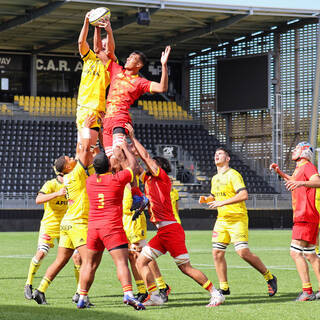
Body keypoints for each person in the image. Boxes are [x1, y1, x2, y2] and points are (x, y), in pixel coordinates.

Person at [126, 123, 224, 307]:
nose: (148, 165)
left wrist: (132, 138)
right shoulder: (148, 179)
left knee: (185, 268)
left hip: (171, 230)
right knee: (141, 261)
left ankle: (215, 293)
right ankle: (154, 296)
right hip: (163, 232)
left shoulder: (161, 176)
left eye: (151, 164)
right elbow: (135, 166)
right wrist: (125, 148)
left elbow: (146, 157)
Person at [32, 115, 96, 305]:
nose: (72, 157)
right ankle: (81, 295)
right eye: (69, 158)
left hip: (66, 223)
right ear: (67, 166)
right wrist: (85, 129)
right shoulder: (76, 173)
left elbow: (80, 151)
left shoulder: (69, 175)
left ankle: (40, 290)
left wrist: (81, 132)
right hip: (78, 223)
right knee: (88, 262)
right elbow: (83, 150)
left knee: (61, 260)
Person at [199, 147, 277, 297]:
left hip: (237, 218)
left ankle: (270, 277)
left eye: (220, 153)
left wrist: (222, 203)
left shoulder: (233, 174)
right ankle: (224, 288)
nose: (216, 155)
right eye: (215, 153)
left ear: (228, 158)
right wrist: (207, 199)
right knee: (217, 253)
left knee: (242, 252)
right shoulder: (215, 178)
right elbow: (215, 196)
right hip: (222, 220)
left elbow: (243, 194)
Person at [77, 145, 145, 310]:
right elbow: (134, 168)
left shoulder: (90, 181)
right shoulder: (117, 178)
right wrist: (125, 150)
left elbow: (89, 164)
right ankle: (128, 294)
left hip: (94, 229)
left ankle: (82, 297)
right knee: (121, 262)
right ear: (109, 166)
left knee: (89, 264)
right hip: (112, 228)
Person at [100, 24, 171, 158]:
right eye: (129, 57)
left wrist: (164, 65)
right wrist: (106, 30)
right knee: (112, 161)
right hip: (107, 121)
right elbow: (99, 51)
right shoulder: (116, 70)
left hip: (120, 120)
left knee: (118, 153)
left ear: (139, 65)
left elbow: (162, 88)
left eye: (132, 58)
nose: (128, 58)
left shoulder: (140, 82)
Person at [270, 142, 320, 301]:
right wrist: (280, 172)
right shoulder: (300, 168)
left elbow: (318, 181)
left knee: (295, 252)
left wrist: (300, 183)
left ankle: (307, 291)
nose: (293, 150)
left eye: (297, 148)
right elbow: (294, 181)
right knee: (311, 255)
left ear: (305, 152)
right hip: (307, 215)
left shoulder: (307, 166)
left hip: (304, 215)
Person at [24, 169, 71, 299]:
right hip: (49, 226)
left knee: (77, 258)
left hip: (66, 226)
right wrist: (57, 193)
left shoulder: (72, 184)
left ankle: (80, 294)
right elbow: (38, 200)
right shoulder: (50, 184)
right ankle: (28, 284)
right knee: (41, 254)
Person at [122, 182, 171, 303]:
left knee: (142, 254)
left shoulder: (128, 174)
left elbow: (142, 197)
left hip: (134, 218)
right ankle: (143, 290)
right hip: (123, 218)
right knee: (132, 256)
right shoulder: (114, 175)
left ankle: (160, 287)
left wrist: (139, 203)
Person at [76, 11, 114, 150]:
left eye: (105, 46)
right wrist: (88, 22)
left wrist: (109, 33)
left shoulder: (110, 65)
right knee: (82, 149)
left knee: (88, 150)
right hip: (81, 108)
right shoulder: (89, 58)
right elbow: (81, 41)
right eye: (101, 45)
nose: (102, 47)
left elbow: (110, 49)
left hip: (94, 109)